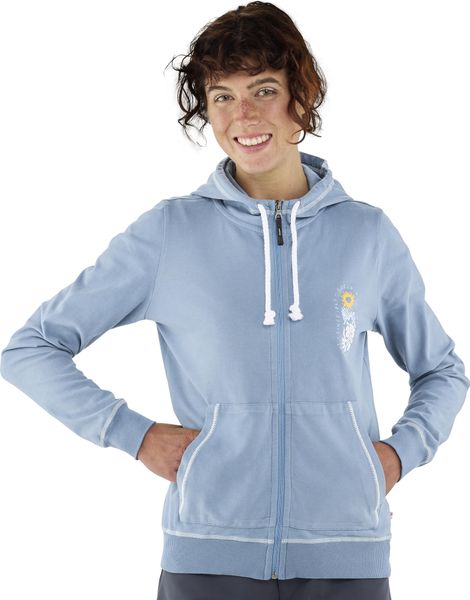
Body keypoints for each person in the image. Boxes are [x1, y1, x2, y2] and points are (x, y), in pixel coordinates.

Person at [1, 2, 469, 599]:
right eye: (221, 96)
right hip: (207, 557)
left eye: (263, 89)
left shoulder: (366, 234)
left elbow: (442, 370)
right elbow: (31, 348)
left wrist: (399, 455)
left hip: (346, 557)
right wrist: (133, 434)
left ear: (301, 97)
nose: (242, 114)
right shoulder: (170, 233)